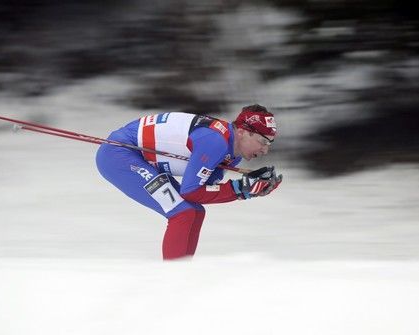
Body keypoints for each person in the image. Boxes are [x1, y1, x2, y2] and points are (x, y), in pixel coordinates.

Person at [95, 104, 282, 260]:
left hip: (138, 156)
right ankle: (174, 281)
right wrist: (241, 189)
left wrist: (245, 187)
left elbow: (204, 189)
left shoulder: (232, 154)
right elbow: (191, 191)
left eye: (270, 144)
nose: (265, 150)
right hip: (119, 154)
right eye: (263, 141)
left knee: (194, 211)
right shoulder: (215, 141)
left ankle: (183, 276)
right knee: (183, 213)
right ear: (242, 132)